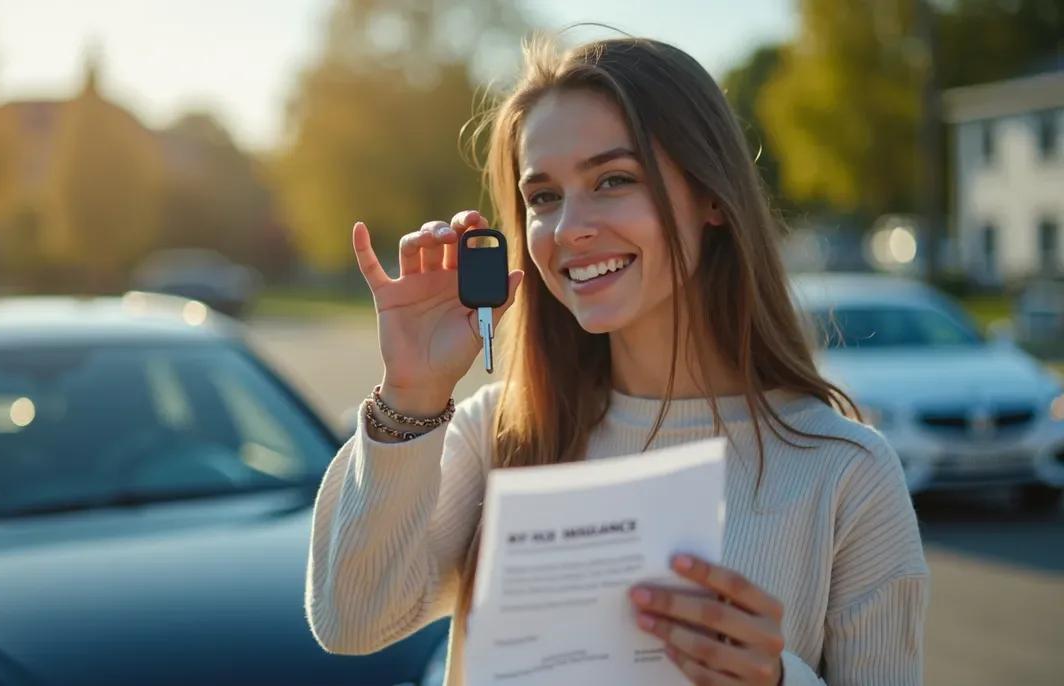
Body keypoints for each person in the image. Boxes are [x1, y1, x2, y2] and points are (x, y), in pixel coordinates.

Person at [305, 35, 928, 686]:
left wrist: (777, 680)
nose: (570, 227)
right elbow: (351, 621)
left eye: (613, 180)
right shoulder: (500, 435)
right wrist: (411, 391)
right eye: (543, 196)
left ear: (711, 197)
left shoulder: (844, 473)